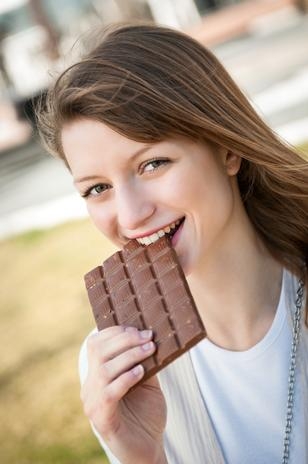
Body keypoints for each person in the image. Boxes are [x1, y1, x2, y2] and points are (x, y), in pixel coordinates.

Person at [36, 22, 308, 464]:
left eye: (152, 163)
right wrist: (141, 454)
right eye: (96, 188)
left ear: (226, 149)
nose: (129, 216)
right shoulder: (117, 370)